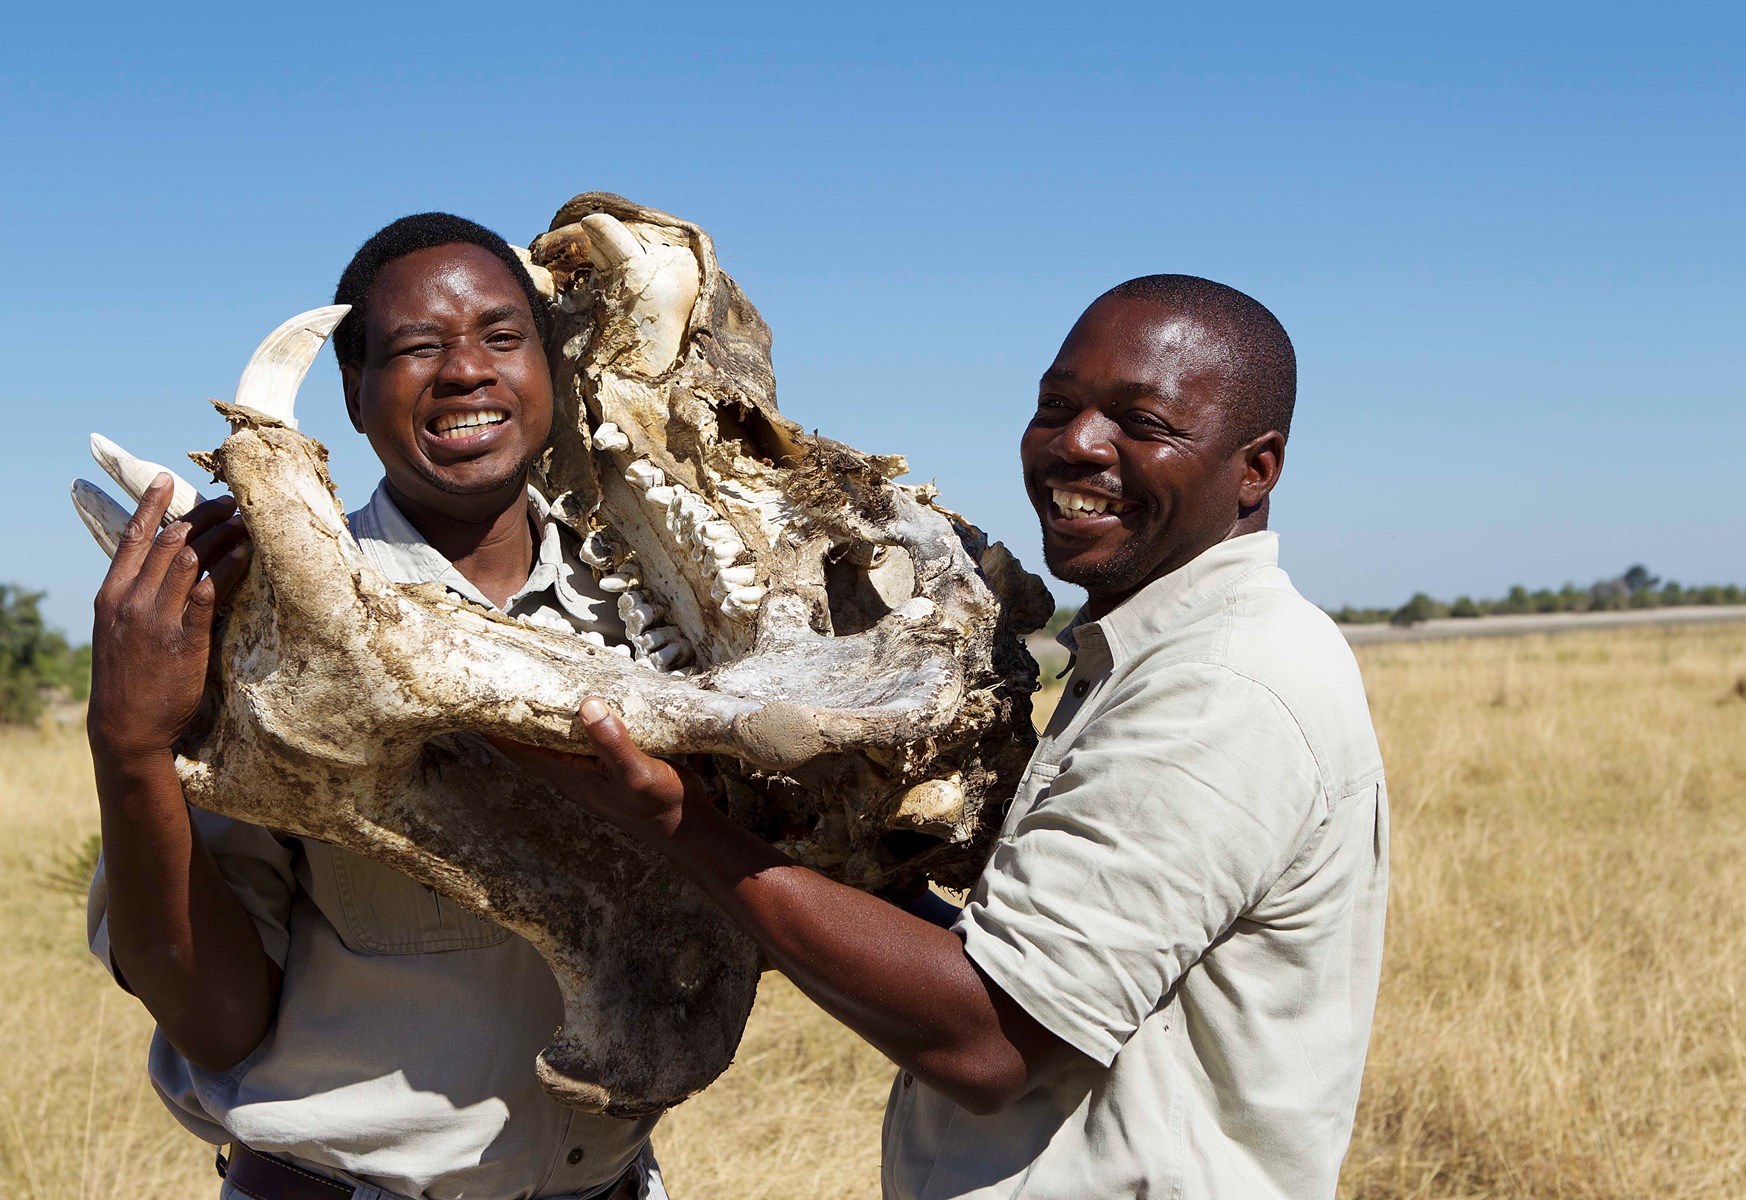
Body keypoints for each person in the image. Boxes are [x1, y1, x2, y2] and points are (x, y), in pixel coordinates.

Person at [507, 275, 1389, 1199]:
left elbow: (991, 1038)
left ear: (1257, 469)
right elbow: (1011, 959)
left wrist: (681, 824)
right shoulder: (1149, 653)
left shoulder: (1221, 689)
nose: (1079, 445)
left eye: (1145, 423)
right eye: (1057, 405)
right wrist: (789, 833)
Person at [85, 212, 667, 1200]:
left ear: (553, 373)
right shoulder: (262, 627)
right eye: (414, 347)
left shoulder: (648, 615)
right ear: (352, 396)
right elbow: (217, 1021)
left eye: (499, 335)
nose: (464, 371)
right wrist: (131, 747)